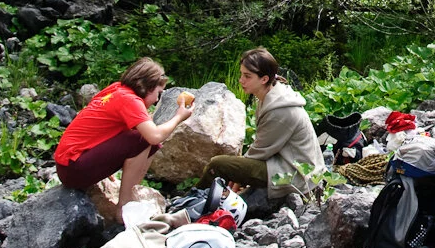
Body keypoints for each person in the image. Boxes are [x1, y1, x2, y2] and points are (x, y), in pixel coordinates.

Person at [55, 57, 192, 207]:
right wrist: (179, 117)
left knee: (148, 143)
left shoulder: (117, 89)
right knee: (143, 139)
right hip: (74, 169)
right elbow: (154, 136)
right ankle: (125, 205)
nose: (156, 100)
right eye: (158, 93)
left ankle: (132, 193)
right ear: (144, 86)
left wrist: (103, 161)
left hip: (68, 167)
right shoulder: (129, 100)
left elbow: (99, 124)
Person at [191, 48, 324, 199]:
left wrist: (237, 176)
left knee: (218, 164)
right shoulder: (272, 96)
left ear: (264, 79)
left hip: (297, 177)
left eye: (247, 76)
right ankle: (203, 199)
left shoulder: (280, 111)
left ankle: (192, 201)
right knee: (228, 165)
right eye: (241, 74)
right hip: (286, 164)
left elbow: (258, 153)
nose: (241, 80)